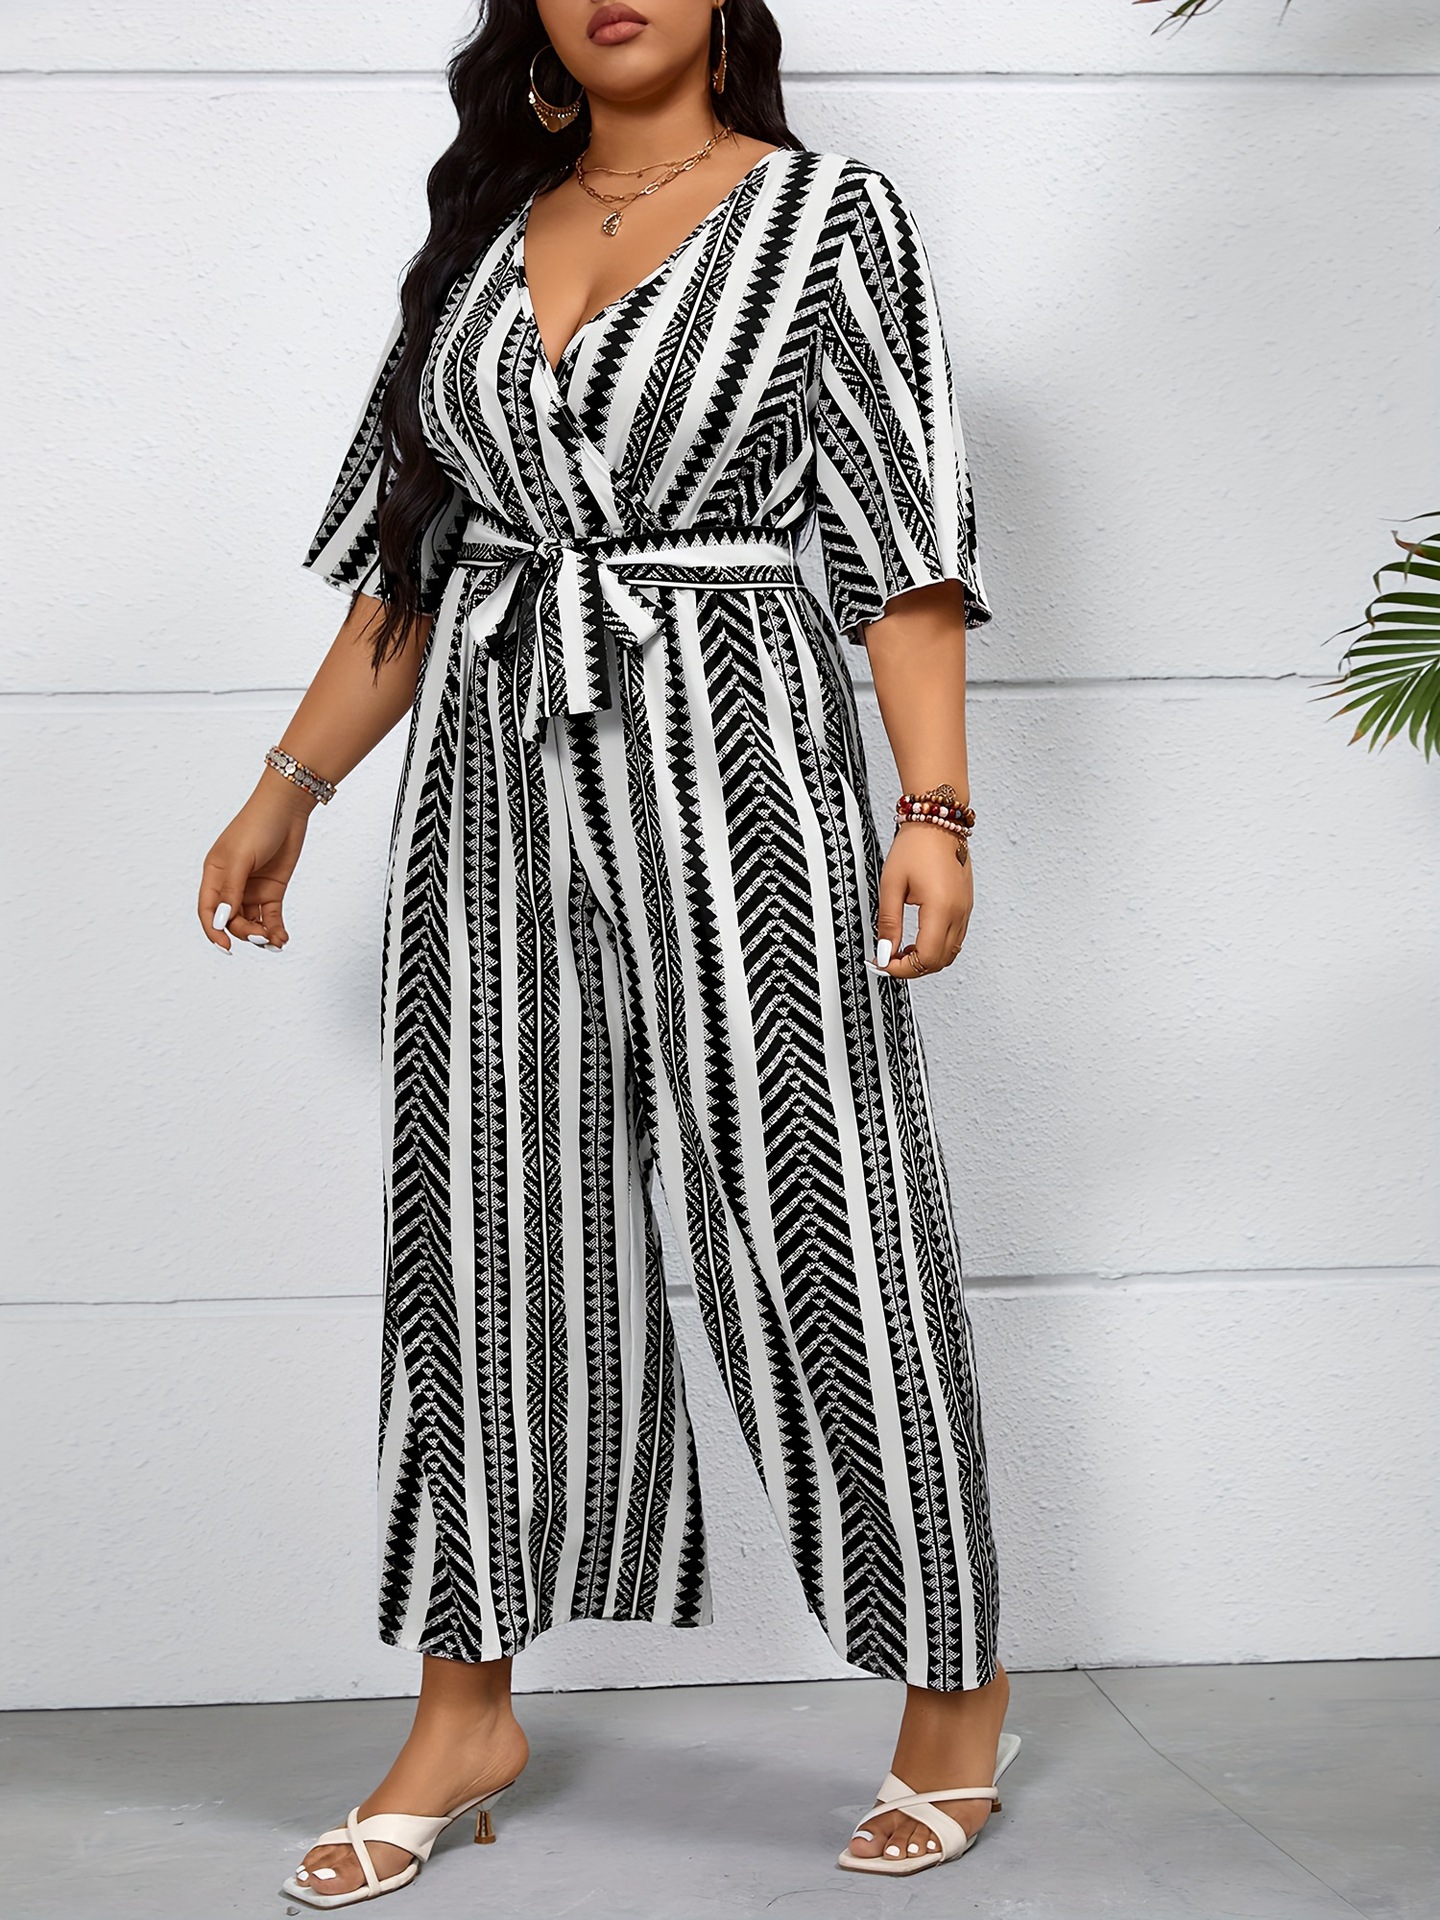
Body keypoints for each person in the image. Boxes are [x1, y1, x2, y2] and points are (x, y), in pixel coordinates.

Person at [198, 0, 1019, 1903]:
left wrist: (934, 806)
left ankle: (950, 1694)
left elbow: (902, 544)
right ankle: (462, 1708)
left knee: (823, 1209)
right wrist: (290, 785)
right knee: (485, 1228)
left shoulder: (830, 216)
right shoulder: (486, 229)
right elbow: (414, 560)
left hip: (738, 747)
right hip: (488, 760)